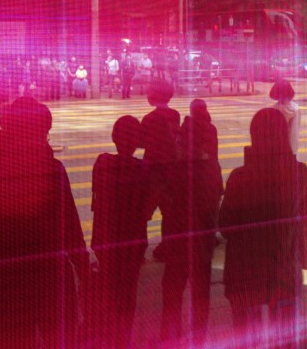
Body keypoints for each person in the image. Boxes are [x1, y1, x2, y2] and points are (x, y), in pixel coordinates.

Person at [0, 95, 88, 348]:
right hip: (50, 267)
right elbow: (70, 225)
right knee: (58, 334)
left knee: (14, 334)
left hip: (12, 268)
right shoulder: (52, 170)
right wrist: (83, 265)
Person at [219, 108, 307, 346]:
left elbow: (226, 226)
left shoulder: (239, 177)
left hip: (245, 272)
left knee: (247, 336)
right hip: (283, 268)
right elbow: (305, 221)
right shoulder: (300, 173)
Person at [159, 107, 224, 343]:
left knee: (173, 291)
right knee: (200, 293)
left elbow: (164, 203)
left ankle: (170, 335)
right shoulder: (212, 169)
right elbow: (217, 199)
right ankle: (199, 338)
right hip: (202, 244)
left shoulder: (175, 170)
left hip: (177, 242)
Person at [91, 115, 150, 348]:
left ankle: (107, 336)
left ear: (114, 137)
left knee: (108, 292)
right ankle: (122, 340)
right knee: (128, 295)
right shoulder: (143, 169)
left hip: (106, 240)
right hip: (132, 243)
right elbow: (146, 209)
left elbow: (96, 202)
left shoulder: (102, 163)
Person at [140, 79, 180, 260]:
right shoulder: (175, 115)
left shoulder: (149, 119)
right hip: (171, 170)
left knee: (143, 212)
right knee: (169, 212)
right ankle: (167, 247)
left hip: (153, 170)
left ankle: (139, 251)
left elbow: (142, 141)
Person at [270, 79, 301, 156]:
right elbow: (295, 131)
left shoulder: (273, 109)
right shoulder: (296, 109)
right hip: (291, 147)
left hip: (276, 148)